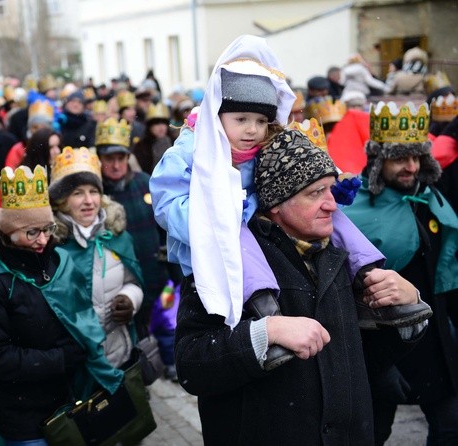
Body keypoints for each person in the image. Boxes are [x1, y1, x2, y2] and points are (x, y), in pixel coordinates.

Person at [150, 34, 430, 371]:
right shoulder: (190, 150)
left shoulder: (264, 147)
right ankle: (265, 310)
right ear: (216, 116)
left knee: (335, 216)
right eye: (241, 120)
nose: (252, 130)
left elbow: (291, 177)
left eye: (260, 121)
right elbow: (167, 202)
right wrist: (220, 214)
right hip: (213, 234)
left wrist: (329, 185)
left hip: (255, 217)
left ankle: (370, 276)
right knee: (239, 236)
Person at [175, 128, 426, 444]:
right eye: (315, 193)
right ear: (276, 202)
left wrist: (407, 310)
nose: (332, 205)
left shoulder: (341, 258)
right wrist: (265, 333)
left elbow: (364, 363)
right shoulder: (225, 260)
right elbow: (191, 364)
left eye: (331, 190)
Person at [0, 165, 124, 445]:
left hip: (68, 400)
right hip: (23, 416)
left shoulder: (60, 263)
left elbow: (80, 315)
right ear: (10, 233)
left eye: (47, 229)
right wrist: (58, 359)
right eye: (31, 232)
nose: (42, 240)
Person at [342, 101, 458, 446]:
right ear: (378, 160)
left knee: (451, 430)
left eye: (417, 157)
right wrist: (376, 366)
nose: (411, 167)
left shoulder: (429, 198)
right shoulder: (354, 213)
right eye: (399, 158)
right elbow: (348, 295)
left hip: (435, 343)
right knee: (371, 436)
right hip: (382, 350)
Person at [49, 147, 144, 368]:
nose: (89, 201)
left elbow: (134, 283)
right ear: (62, 200)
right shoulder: (53, 247)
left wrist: (130, 299)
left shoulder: (118, 237)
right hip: (75, 360)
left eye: (93, 191)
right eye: (77, 193)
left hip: (118, 351)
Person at [96, 118, 169, 340]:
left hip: (154, 272)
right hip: (118, 283)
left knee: (163, 326)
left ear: (129, 158)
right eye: (110, 159)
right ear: (100, 159)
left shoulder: (146, 182)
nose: (116, 165)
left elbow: (166, 229)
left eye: (121, 158)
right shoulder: (95, 193)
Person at [133, 102, 172, 175]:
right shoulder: (141, 147)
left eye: (164, 123)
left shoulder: (175, 142)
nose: (161, 127)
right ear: (150, 127)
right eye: (156, 123)